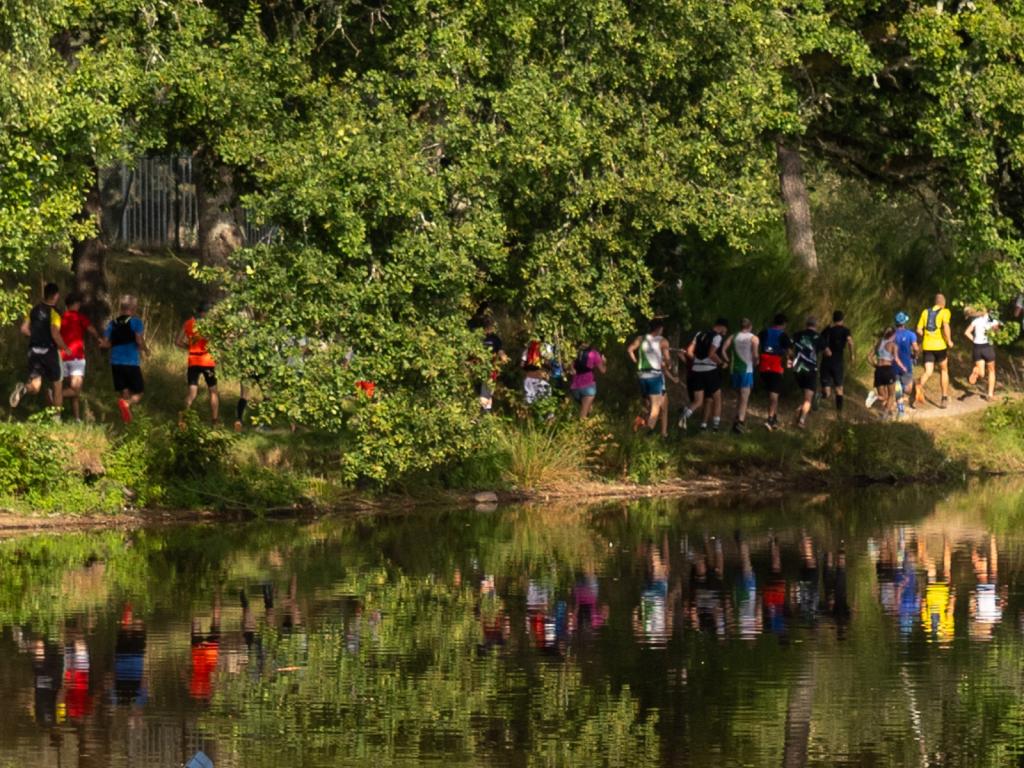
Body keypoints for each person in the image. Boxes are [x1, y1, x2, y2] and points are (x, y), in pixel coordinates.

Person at [9, 283, 70, 414]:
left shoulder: (33, 310)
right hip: (50, 351)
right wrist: (65, 347)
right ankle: (56, 419)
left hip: (34, 351)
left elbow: (24, 329)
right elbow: (55, 333)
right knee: (57, 385)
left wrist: (36, 335)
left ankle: (24, 389)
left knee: (35, 387)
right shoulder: (55, 312)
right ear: (55, 296)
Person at [58, 292, 106, 421]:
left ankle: (76, 418)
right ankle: (56, 395)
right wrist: (99, 339)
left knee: (73, 390)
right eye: (78, 303)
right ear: (76, 304)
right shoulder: (79, 317)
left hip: (63, 357)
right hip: (76, 358)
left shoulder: (61, 318)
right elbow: (91, 329)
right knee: (76, 391)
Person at [627, 318, 678, 438]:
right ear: (660, 328)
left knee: (647, 405)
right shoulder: (663, 341)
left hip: (641, 376)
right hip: (654, 376)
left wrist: (636, 361)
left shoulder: (640, 338)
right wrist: (669, 364)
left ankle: (638, 428)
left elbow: (630, 350)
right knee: (656, 407)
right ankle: (646, 433)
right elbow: (667, 359)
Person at [104, 295, 149, 423]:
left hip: (115, 361)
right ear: (133, 308)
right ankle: (128, 404)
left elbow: (106, 342)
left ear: (121, 308)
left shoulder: (112, 323)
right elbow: (139, 340)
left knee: (124, 390)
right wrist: (145, 349)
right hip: (131, 362)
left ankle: (127, 421)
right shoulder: (136, 322)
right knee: (139, 391)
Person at [678, 318, 728, 432]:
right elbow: (711, 354)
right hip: (710, 371)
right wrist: (721, 363)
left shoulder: (699, 334)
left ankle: (684, 416)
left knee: (698, 401)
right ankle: (715, 427)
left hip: (696, 370)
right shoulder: (717, 337)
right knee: (717, 398)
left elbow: (689, 351)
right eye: (725, 330)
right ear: (722, 326)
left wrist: (697, 361)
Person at [176, 302, 220, 424]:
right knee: (213, 391)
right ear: (205, 312)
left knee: (192, 393)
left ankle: (183, 418)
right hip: (207, 362)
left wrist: (189, 347)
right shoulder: (210, 325)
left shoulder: (188, 323)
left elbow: (177, 341)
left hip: (193, 361)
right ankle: (215, 421)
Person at [916, 293, 954, 408]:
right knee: (944, 370)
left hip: (927, 346)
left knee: (928, 371)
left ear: (935, 302)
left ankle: (918, 385)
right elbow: (946, 327)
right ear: (943, 303)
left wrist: (925, 336)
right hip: (940, 346)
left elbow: (918, 329)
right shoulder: (945, 312)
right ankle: (944, 397)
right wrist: (949, 341)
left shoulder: (925, 312)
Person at [722, 318, 759, 434]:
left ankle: (736, 420)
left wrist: (727, 360)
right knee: (744, 397)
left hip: (734, 369)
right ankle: (740, 423)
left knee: (740, 396)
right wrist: (756, 362)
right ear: (750, 326)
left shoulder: (733, 336)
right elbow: (755, 354)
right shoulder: (753, 338)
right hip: (746, 370)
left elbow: (723, 350)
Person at [757, 313, 791, 431]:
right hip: (775, 365)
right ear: (783, 324)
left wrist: (757, 356)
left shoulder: (764, 332)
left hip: (763, 365)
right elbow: (789, 352)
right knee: (774, 395)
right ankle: (770, 420)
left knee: (772, 392)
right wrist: (789, 361)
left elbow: (756, 342)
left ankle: (775, 419)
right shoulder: (783, 335)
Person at [818, 310, 855, 412]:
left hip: (826, 361)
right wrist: (852, 355)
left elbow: (819, 340)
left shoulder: (827, 329)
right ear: (842, 319)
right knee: (839, 389)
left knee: (827, 391)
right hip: (837, 362)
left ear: (833, 319)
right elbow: (850, 342)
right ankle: (839, 413)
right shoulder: (845, 330)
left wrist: (823, 350)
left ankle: (818, 396)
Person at [869, 327, 906, 419]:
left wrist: (875, 365)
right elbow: (896, 359)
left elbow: (869, 357)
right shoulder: (893, 345)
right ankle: (885, 415)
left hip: (878, 371)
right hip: (888, 370)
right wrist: (903, 367)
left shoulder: (878, 343)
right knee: (891, 394)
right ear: (893, 335)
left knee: (883, 396)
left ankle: (874, 397)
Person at [964, 308, 1000, 401]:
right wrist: (996, 330)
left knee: (982, 374)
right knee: (991, 371)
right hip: (987, 347)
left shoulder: (976, 320)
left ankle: (976, 371)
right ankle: (990, 395)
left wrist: (974, 339)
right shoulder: (992, 319)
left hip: (977, 347)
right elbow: (997, 331)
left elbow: (967, 332)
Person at [791, 316, 820, 429]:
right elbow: (828, 352)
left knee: (805, 396)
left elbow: (789, 345)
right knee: (808, 398)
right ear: (816, 325)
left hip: (797, 369)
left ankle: (800, 410)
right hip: (810, 370)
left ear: (806, 324)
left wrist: (790, 358)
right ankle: (801, 421)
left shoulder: (798, 334)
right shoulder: (818, 337)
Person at [569, 343, 606, 419]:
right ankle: (580, 428)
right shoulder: (594, 353)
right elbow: (603, 370)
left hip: (575, 387)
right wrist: (604, 362)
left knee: (587, 407)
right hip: (588, 387)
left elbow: (570, 368)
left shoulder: (573, 352)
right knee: (583, 414)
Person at [478, 319, 507, 415]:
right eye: (488, 327)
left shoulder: (495, 338)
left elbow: (500, 350)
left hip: (491, 366)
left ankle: (484, 413)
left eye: (491, 327)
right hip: (478, 366)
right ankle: (485, 412)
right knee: (485, 389)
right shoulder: (478, 337)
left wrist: (503, 356)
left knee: (488, 388)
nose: (489, 329)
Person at [892, 312, 919, 415]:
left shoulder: (891, 335)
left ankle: (900, 409)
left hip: (893, 364)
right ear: (904, 323)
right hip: (906, 365)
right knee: (907, 387)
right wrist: (915, 355)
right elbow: (916, 348)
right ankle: (901, 408)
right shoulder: (911, 334)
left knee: (898, 385)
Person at [520, 339, 552, 406]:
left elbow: (527, 374)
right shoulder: (529, 386)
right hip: (534, 364)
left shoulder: (527, 385)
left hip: (533, 365)